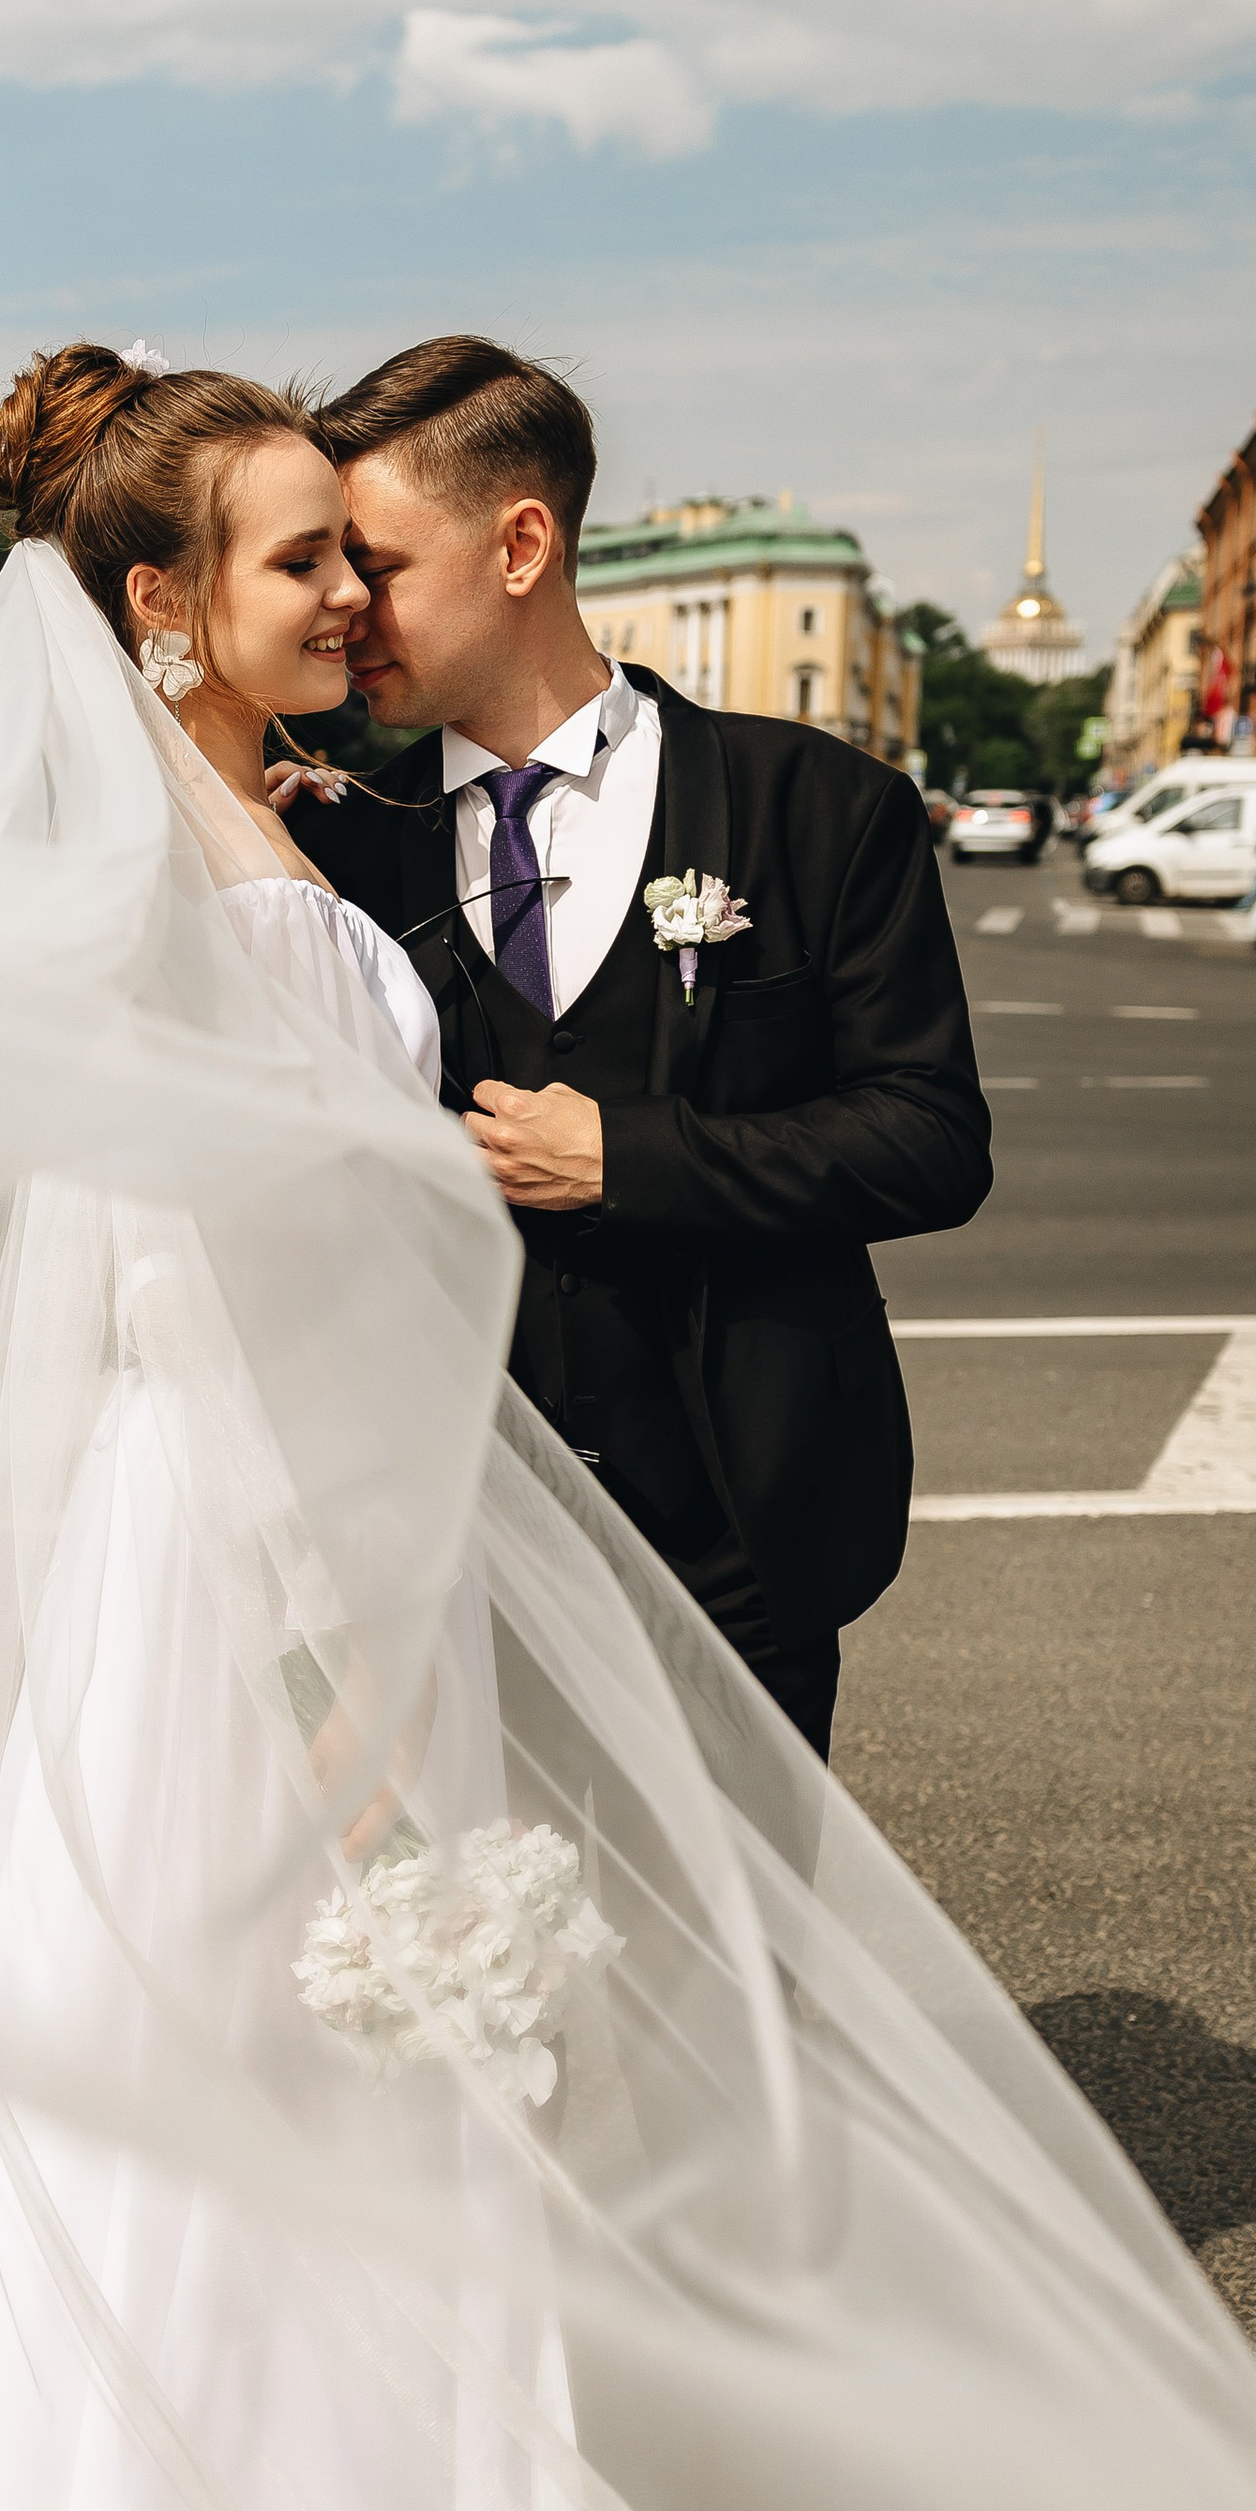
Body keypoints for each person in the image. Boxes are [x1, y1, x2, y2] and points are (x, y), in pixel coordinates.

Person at [0, 345, 602, 2511]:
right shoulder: (237, 918)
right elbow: (222, 1314)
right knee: (242, 2085)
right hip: (270, 1555)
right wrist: (333, 1673)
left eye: (354, 551)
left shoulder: (222, 852)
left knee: (168, 2062)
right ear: (156, 608)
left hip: (218, 1538)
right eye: (300, 557)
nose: (351, 588)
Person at [291, 335, 991, 1769]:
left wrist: (632, 1159)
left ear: (521, 544)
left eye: (378, 565)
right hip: (450, 1548)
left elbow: (930, 1135)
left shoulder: (821, 809)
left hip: (745, 1532)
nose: (348, 610)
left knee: (735, 1980)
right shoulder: (334, 844)